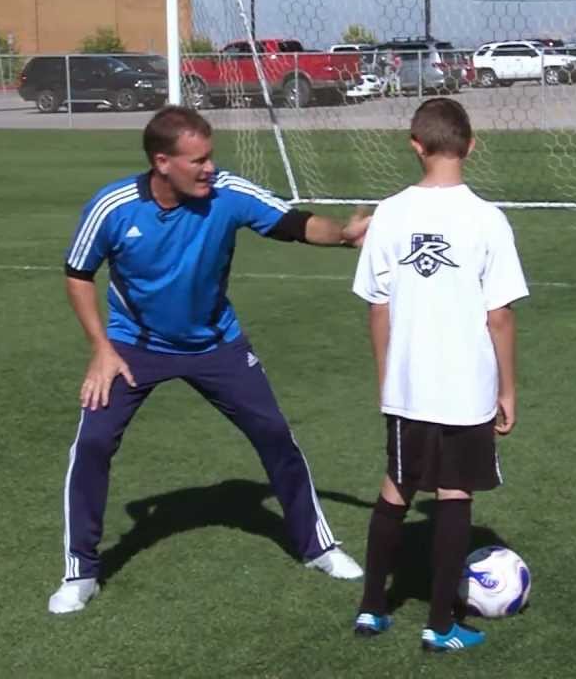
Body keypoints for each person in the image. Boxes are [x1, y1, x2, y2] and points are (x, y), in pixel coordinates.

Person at [48, 106, 367, 615]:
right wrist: (101, 348)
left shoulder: (228, 193)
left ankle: (318, 547)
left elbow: (294, 223)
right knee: (93, 443)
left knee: (275, 436)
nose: (208, 168)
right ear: (162, 162)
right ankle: (81, 572)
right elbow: (77, 273)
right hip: (133, 348)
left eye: (210, 156)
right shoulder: (113, 207)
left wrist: (345, 235)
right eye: (196, 160)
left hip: (217, 344)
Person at [348, 98, 529, 652]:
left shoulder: (390, 214)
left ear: (416, 146)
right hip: (464, 387)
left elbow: (377, 307)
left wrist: (388, 378)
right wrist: (507, 388)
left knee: (396, 489)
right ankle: (441, 624)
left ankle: (372, 609)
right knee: (454, 492)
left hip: (407, 386)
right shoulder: (487, 219)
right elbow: (498, 315)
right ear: (471, 146)